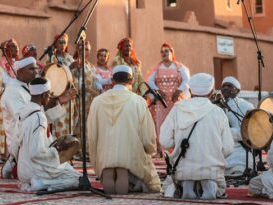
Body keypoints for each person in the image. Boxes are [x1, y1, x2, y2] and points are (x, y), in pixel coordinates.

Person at [88, 65, 161, 194]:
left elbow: (92, 130)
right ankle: (121, 203)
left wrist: (94, 148)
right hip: (130, 151)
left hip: (105, 149)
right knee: (122, 172)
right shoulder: (138, 101)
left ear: (112, 81)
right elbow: (147, 132)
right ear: (131, 81)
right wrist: (150, 148)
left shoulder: (97, 101)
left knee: (108, 172)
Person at [160, 73, 232, 200]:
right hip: (212, 169)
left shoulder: (178, 109)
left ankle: (187, 184)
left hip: (183, 168)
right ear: (211, 92)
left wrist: (177, 143)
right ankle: (209, 184)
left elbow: (165, 142)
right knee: (213, 174)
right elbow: (228, 148)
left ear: (190, 91)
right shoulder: (218, 112)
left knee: (172, 182)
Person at [16, 78, 82, 193]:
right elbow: (36, 152)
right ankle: (40, 183)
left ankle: (38, 181)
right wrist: (57, 150)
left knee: (67, 168)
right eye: (49, 95)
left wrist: (60, 101)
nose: (50, 98)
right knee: (77, 178)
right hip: (34, 169)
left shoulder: (25, 112)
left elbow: (43, 117)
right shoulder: (38, 117)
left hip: (22, 168)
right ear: (44, 95)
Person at [0, 56, 41, 178]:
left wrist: (57, 101)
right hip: (19, 139)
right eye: (31, 69)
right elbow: (22, 118)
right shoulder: (12, 91)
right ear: (20, 71)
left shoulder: (27, 88)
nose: (35, 72)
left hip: (31, 135)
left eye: (36, 69)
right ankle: (14, 160)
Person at [145, 43, 190, 136]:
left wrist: (179, 90)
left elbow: (187, 79)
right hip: (162, 102)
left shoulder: (179, 67)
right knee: (162, 123)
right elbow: (149, 81)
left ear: (171, 52)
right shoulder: (157, 68)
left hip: (176, 101)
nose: (164, 53)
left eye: (166, 51)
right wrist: (158, 91)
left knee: (176, 124)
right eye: (161, 52)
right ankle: (162, 148)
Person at [219, 76, 256, 177]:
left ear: (237, 90)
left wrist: (227, 132)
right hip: (220, 149)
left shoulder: (246, 106)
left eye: (230, 86)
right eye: (224, 86)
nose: (226, 88)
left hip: (240, 149)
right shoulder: (216, 106)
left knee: (240, 167)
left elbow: (249, 132)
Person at [70, 40, 100, 137]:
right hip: (78, 101)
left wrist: (97, 92)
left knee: (89, 126)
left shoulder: (91, 66)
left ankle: (87, 150)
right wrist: (88, 90)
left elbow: (95, 82)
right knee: (78, 126)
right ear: (78, 50)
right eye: (82, 49)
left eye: (87, 49)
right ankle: (78, 149)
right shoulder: (74, 65)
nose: (85, 52)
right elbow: (73, 83)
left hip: (89, 101)